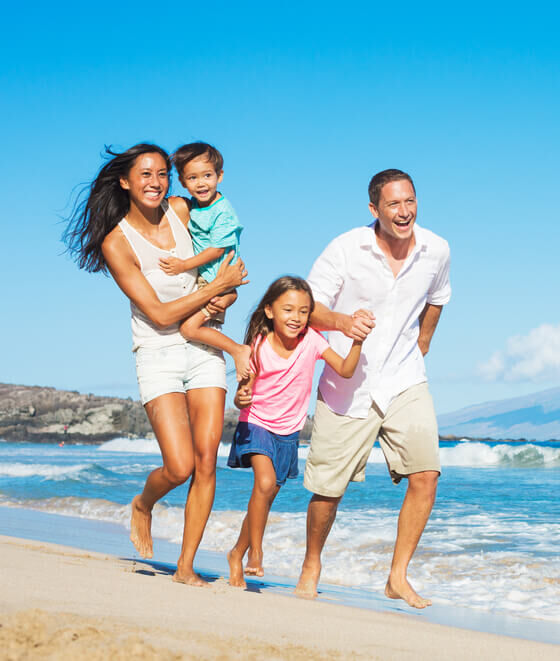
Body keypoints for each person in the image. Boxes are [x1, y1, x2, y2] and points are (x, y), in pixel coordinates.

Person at [62, 143, 248, 586]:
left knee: (206, 463)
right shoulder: (116, 242)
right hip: (157, 352)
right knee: (179, 465)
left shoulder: (181, 211)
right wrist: (216, 287)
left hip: (202, 348)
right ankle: (143, 504)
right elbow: (161, 315)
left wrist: (226, 288)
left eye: (163, 173)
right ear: (125, 181)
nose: (156, 182)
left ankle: (185, 567)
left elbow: (225, 253)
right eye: (145, 174)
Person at [295, 168, 451, 608]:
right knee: (329, 488)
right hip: (349, 381)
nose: (404, 212)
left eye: (410, 202)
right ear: (374, 209)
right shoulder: (346, 249)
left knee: (426, 475)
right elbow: (308, 307)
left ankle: (397, 576)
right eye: (393, 204)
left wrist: (421, 345)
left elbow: (438, 298)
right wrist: (344, 323)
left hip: (405, 378)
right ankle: (311, 565)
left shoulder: (436, 249)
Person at [226, 276, 363, 588]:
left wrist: (358, 341)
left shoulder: (313, 341)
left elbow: (345, 370)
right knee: (263, 483)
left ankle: (236, 552)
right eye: (288, 310)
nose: (296, 317)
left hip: (288, 431)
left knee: (266, 496)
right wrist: (239, 398)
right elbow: (241, 393)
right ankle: (256, 554)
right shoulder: (257, 346)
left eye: (304, 311)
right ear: (270, 311)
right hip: (257, 422)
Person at [158, 142, 251, 379]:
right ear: (182, 181)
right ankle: (229, 296)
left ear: (219, 176)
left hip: (217, 278)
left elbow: (217, 250)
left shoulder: (223, 211)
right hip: (211, 280)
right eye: (192, 178)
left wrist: (183, 265)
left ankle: (238, 350)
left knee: (189, 328)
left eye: (207, 175)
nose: (201, 183)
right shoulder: (197, 207)